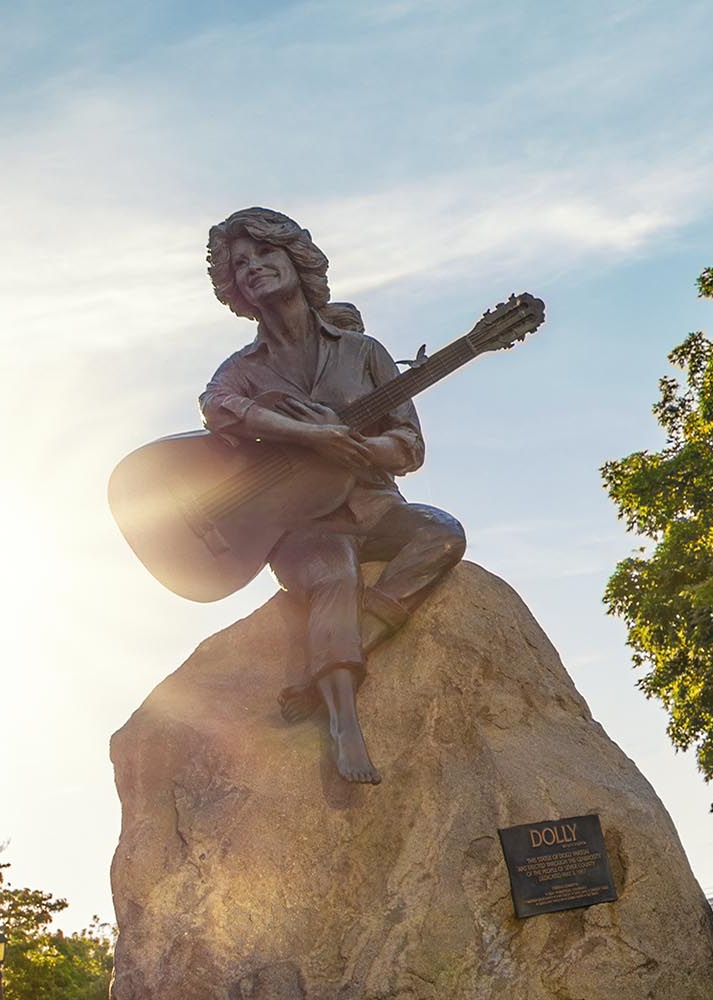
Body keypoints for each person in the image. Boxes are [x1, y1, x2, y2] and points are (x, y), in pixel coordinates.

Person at [199, 207, 466, 785]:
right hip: (296, 522)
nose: (253, 268)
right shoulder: (243, 369)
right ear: (233, 289)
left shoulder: (362, 352)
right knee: (334, 572)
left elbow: (409, 447)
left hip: (373, 508)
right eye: (239, 264)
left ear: (296, 259)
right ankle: (345, 724)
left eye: (265, 254)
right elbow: (216, 405)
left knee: (442, 533)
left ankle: (359, 645)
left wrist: (359, 451)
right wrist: (306, 434)